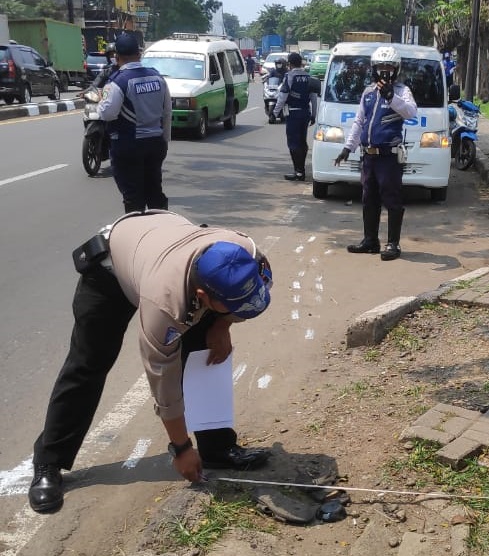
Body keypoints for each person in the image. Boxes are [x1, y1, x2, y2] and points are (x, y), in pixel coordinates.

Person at [28, 210, 274, 513]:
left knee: (205, 353)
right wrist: (181, 448)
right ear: (202, 295)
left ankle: (217, 447)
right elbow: (163, 381)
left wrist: (221, 325)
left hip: (167, 250)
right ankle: (48, 462)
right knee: (88, 363)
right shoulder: (165, 304)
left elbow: (250, 293)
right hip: (112, 270)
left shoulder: (247, 254)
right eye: (231, 306)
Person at [335, 46, 417, 261]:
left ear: (396, 69)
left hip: (389, 156)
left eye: (388, 67)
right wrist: (348, 147)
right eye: (380, 67)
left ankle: (393, 244)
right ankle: (370, 241)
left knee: (392, 199)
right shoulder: (368, 93)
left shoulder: (401, 91)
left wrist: (391, 98)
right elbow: (359, 122)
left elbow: (411, 112)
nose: (384, 71)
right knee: (368, 198)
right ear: (373, 69)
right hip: (368, 156)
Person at [97, 32, 172, 214]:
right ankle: (164, 232)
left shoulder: (118, 82)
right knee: (155, 192)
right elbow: (167, 111)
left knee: (133, 198)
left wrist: (100, 100)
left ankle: (137, 235)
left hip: (129, 146)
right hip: (156, 144)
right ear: (139, 54)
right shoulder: (158, 77)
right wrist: (165, 140)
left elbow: (107, 114)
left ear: (116, 57)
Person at [272, 51, 318, 181]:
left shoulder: (290, 76)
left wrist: (274, 114)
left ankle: (298, 172)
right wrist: (313, 115)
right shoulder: (309, 77)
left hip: (293, 113)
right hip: (305, 113)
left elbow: (282, 96)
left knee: (293, 143)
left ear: (290, 64)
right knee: (302, 142)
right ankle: (301, 170)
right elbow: (313, 98)